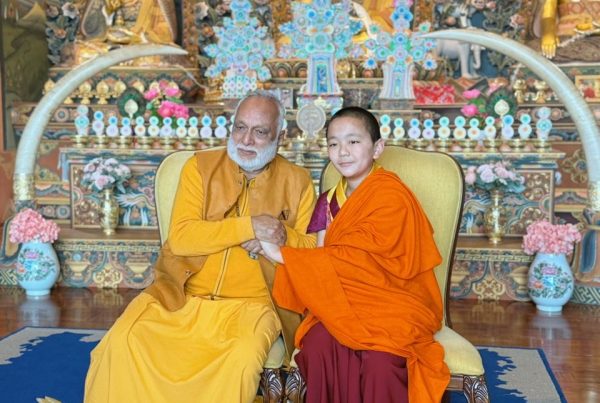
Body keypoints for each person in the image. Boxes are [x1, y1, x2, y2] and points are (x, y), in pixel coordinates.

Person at [84, 90, 317, 403]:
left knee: (241, 358)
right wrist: (248, 226)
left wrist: (277, 237)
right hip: (181, 294)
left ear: (281, 136)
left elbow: (311, 250)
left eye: (260, 132)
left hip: (253, 305)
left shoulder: (297, 181)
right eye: (240, 127)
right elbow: (182, 237)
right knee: (120, 341)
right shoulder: (200, 168)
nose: (246, 139)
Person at [260, 106, 450, 403]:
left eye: (353, 141)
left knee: (380, 363)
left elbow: (360, 261)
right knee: (317, 346)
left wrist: (284, 256)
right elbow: (325, 259)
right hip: (341, 300)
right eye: (334, 144)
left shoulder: (392, 196)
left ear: (378, 148)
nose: (343, 152)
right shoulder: (328, 202)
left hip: (394, 304)